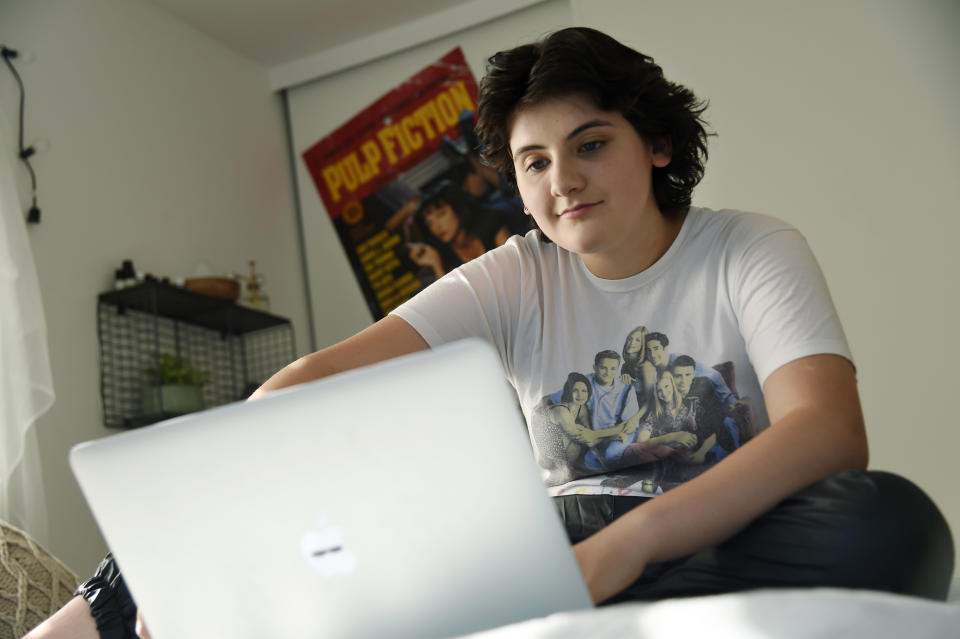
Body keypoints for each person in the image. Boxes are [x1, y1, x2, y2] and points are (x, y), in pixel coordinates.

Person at [28, 26, 954, 639]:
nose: (563, 182)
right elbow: (304, 385)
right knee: (287, 482)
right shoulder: (516, 272)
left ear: (656, 145)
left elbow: (828, 432)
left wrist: (628, 546)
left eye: (591, 144)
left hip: (707, 536)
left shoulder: (748, 248)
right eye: (535, 161)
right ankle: (81, 624)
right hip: (556, 534)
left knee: (890, 522)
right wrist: (209, 553)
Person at [406, 179, 509, 279]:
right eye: (430, 223)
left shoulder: (489, 222)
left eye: (441, 214)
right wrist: (436, 264)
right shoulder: (444, 255)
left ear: (457, 209)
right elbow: (453, 295)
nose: (436, 227)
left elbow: (511, 267)